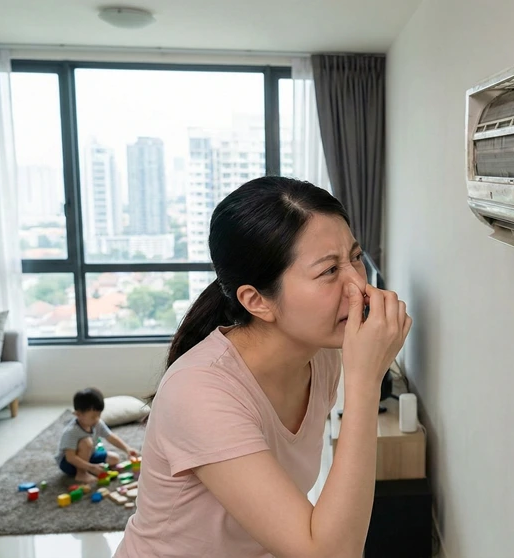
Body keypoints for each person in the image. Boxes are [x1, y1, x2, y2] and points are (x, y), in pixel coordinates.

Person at [115, 177, 412, 558]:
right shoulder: (199, 392)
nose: (358, 285)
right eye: (328, 271)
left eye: (355, 258)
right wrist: (366, 383)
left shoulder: (321, 358)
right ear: (256, 301)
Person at [57, 388, 140, 483]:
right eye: (93, 416)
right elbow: (70, 457)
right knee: (86, 442)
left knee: (114, 459)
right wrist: (92, 467)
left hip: (90, 455)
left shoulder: (97, 423)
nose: (97, 419)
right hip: (68, 464)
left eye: (99, 415)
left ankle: (89, 468)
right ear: (78, 414)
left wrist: (127, 449)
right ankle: (81, 474)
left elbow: (111, 437)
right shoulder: (71, 431)